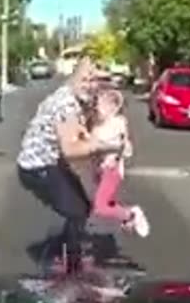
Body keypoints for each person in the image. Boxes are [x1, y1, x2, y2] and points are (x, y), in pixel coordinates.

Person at [16, 58, 123, 274]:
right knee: (76, 211)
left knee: (82, 206)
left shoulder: (78, 100)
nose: (89, 85)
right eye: (84, 79)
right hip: (37, 168)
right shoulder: (65, 105)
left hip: (51, 162)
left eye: (93, 80)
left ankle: (67, 251)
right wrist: (105, 145)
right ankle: (69, 265)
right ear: (72, 79)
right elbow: (71, 150)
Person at [85, 88, 150, 237]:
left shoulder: (117, 123)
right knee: (105, 202)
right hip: (101, 170)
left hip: (112, 170)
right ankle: (126, 218)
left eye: (100, 104)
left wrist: (116, 156)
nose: (97, 107)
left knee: (100, 206)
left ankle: (131, 214)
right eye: (97, 104)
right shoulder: (96, 126)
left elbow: (124, 147)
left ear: (112, 108)